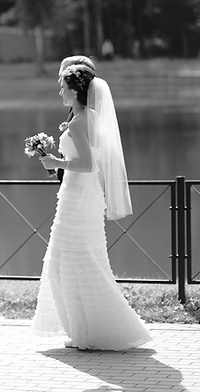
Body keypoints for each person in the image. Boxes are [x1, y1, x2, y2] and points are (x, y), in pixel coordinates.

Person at [32, 64, 152, 350]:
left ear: (74, 90)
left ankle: (88, 331)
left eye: (63, 87)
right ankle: (85, 330)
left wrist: (56, 162)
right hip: (87, 194)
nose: (60, 92)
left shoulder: (77, 123)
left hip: (77, 196)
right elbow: (93, 157)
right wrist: (62, 152)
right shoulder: (93, 117)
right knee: (80, 260)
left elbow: (85, 164)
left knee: (68, 262)